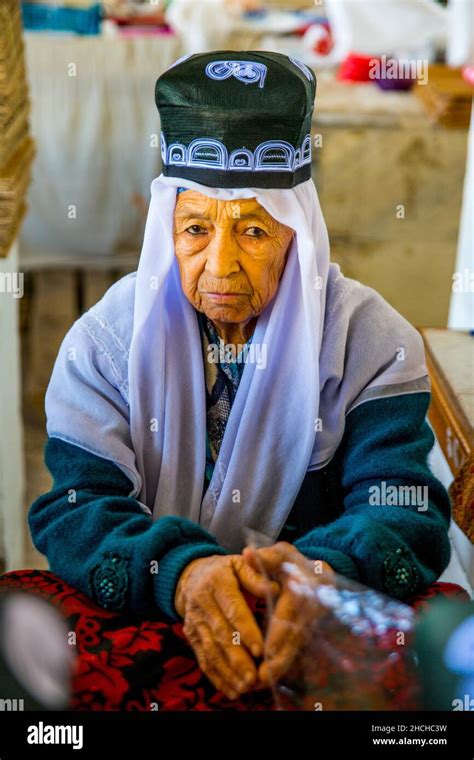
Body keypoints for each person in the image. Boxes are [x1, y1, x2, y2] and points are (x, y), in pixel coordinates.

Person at [28, 51, 451, 702]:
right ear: (164, 224)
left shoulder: (369, 343)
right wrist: (186, 574)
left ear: (297, 234)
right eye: (195, 229)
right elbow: (77, 509)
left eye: (253, 230)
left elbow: (404, 506)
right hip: (163, 605)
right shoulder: (106, 344)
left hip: (315, 616)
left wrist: (319, 572)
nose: (221, 264)